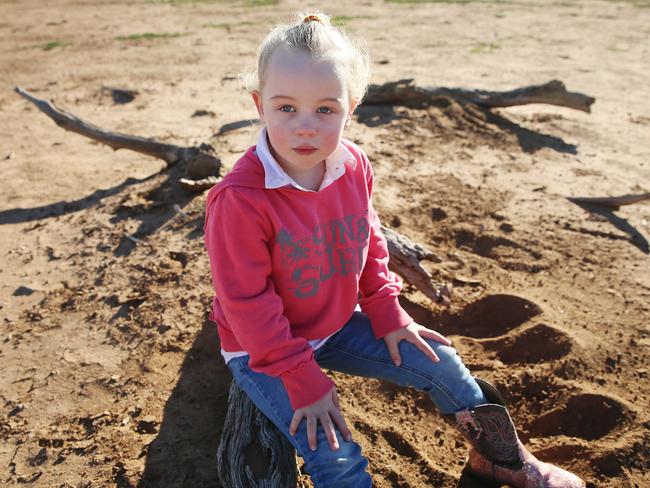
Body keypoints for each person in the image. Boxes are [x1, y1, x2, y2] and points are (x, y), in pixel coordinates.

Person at [204, 11, 585, 488]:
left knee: (444, 366)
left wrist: (387, 312)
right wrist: (302, 379)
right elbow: (247, 303)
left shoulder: (353, 164)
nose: (306, 127)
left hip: (335, 324)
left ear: (352, 105)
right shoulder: (240, 199)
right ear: (259, 104)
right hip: (263, 349)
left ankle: (500, 461)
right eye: (286, 108)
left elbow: (367, 239)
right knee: (337, 455)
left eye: (326, 109)